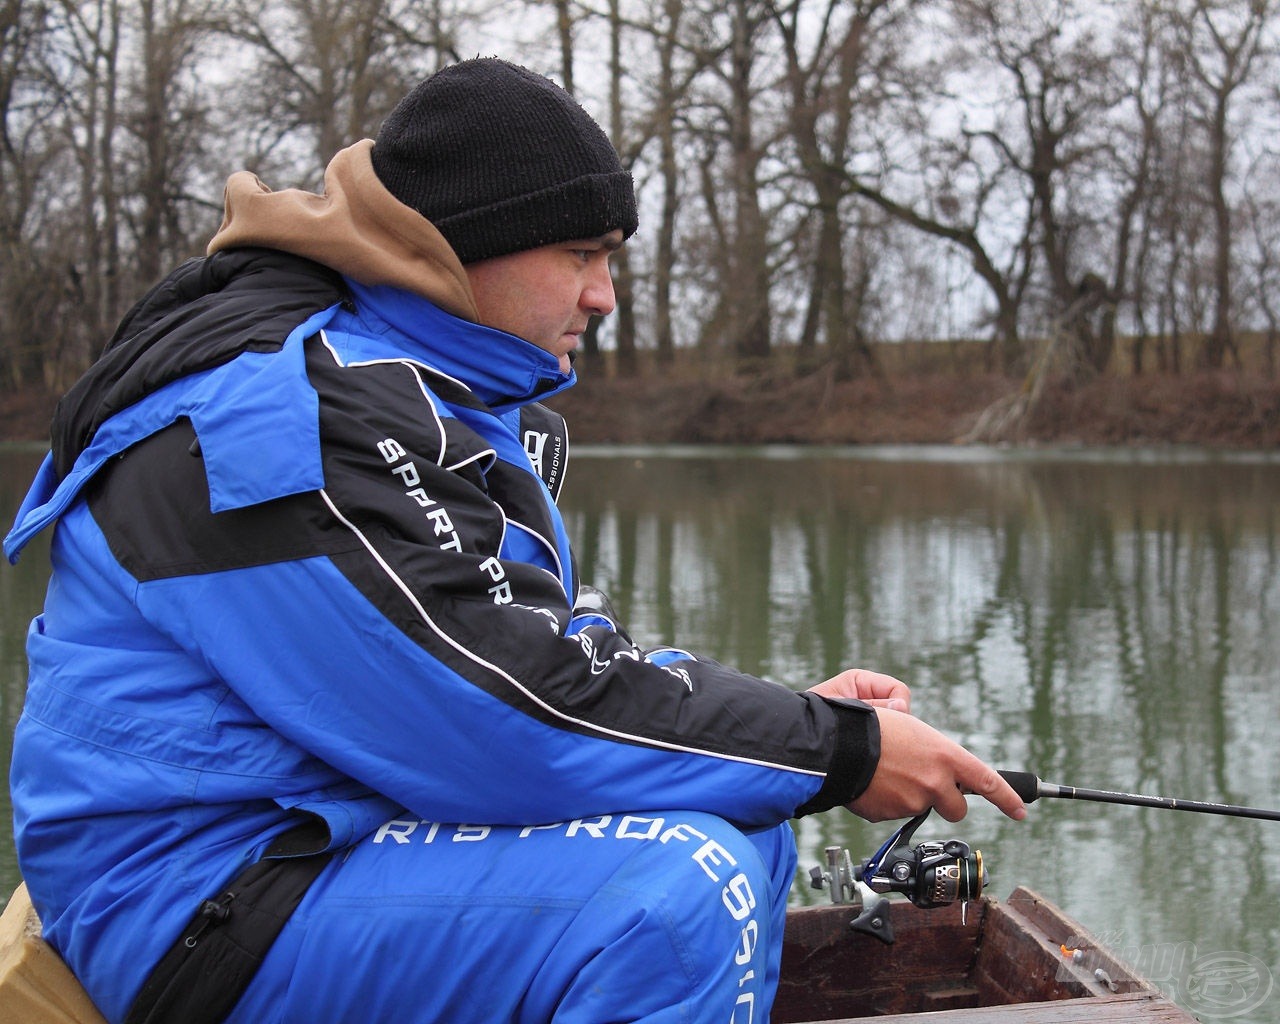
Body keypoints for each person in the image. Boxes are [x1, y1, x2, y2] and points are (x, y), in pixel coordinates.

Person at [4, 56, 1024, 1024]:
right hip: (195, 892)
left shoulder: (426, 393)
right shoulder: (284, 420)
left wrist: (787, 723)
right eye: (578, 256)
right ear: (460, 250)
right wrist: (839, 753)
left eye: (609, 259)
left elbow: (548, 659)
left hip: (331, 827)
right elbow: (505, 720)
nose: (603, 296)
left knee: (741, 819)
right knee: (675, 897)